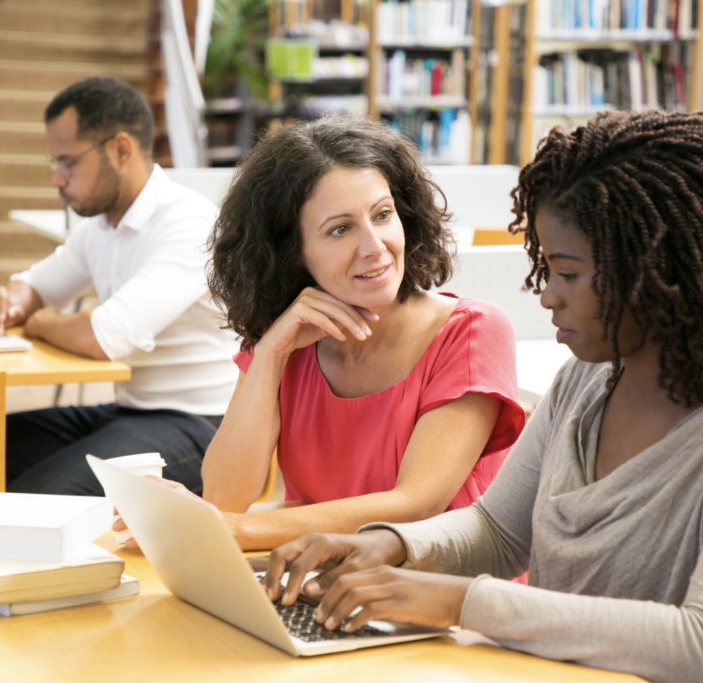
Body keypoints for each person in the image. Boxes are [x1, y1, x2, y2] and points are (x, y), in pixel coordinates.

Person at [262, 110, 703, 682]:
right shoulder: (588, 380)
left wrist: (457, 602)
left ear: (655, 272)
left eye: (567, 274)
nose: (548, 297)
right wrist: (388, 546)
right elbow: (499, 531)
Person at [117, 114, 526, 551]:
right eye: (340, 229)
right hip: (321, 583)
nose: (374, 247)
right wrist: (271, 352)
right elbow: (225, 495)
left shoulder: (471, 333)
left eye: (383, 215)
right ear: (292, 254)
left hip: (440, 597)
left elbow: (414, 506)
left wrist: (222, 528)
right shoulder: (284, 338)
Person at [0, 76, 238, 496]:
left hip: (203, 426)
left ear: (120, 149)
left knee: (42, 494)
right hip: (130, 410)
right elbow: (36, 286)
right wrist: (10, 302)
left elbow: (102, 337)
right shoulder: (102, 227)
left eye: (67, 162)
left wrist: (39, 322)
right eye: (53, 164)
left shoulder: (188, 223)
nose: (57, 179)